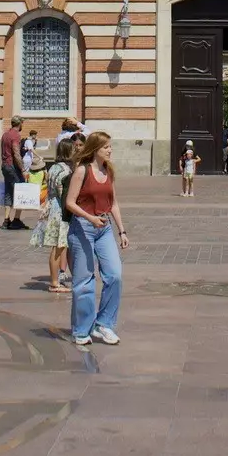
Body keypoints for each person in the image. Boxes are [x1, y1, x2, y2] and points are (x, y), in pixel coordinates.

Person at [62, 132, 126, 347]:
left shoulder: (109, 171)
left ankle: (103, 324)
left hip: (104, 228)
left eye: (110, 146)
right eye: (106, 146)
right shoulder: (82, 170)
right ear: (95, 148)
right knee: (84, 281)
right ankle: (81, 330)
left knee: (114, 275)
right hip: (82, 228)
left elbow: (113, 203)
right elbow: (70, 203)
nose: (110, 150)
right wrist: (90, 217)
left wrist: (122, 231)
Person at [31, 136, 77, 293]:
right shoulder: (65, 170)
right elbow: (63, 194)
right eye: (74, 149)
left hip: (52, 208)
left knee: (58, 246)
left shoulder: (54, 167)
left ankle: (55, 280)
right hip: (60, 212)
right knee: (58, 247)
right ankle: (54, 282)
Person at [0, 116, 28, 230]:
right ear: (20, 124)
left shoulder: (5, 134)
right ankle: (16, 219)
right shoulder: (15, 135)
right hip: (13, 166)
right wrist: (23, 169)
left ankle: (6, 220)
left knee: (8, 191)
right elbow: (16, 153)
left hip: (5, 165)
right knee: (20, 191)